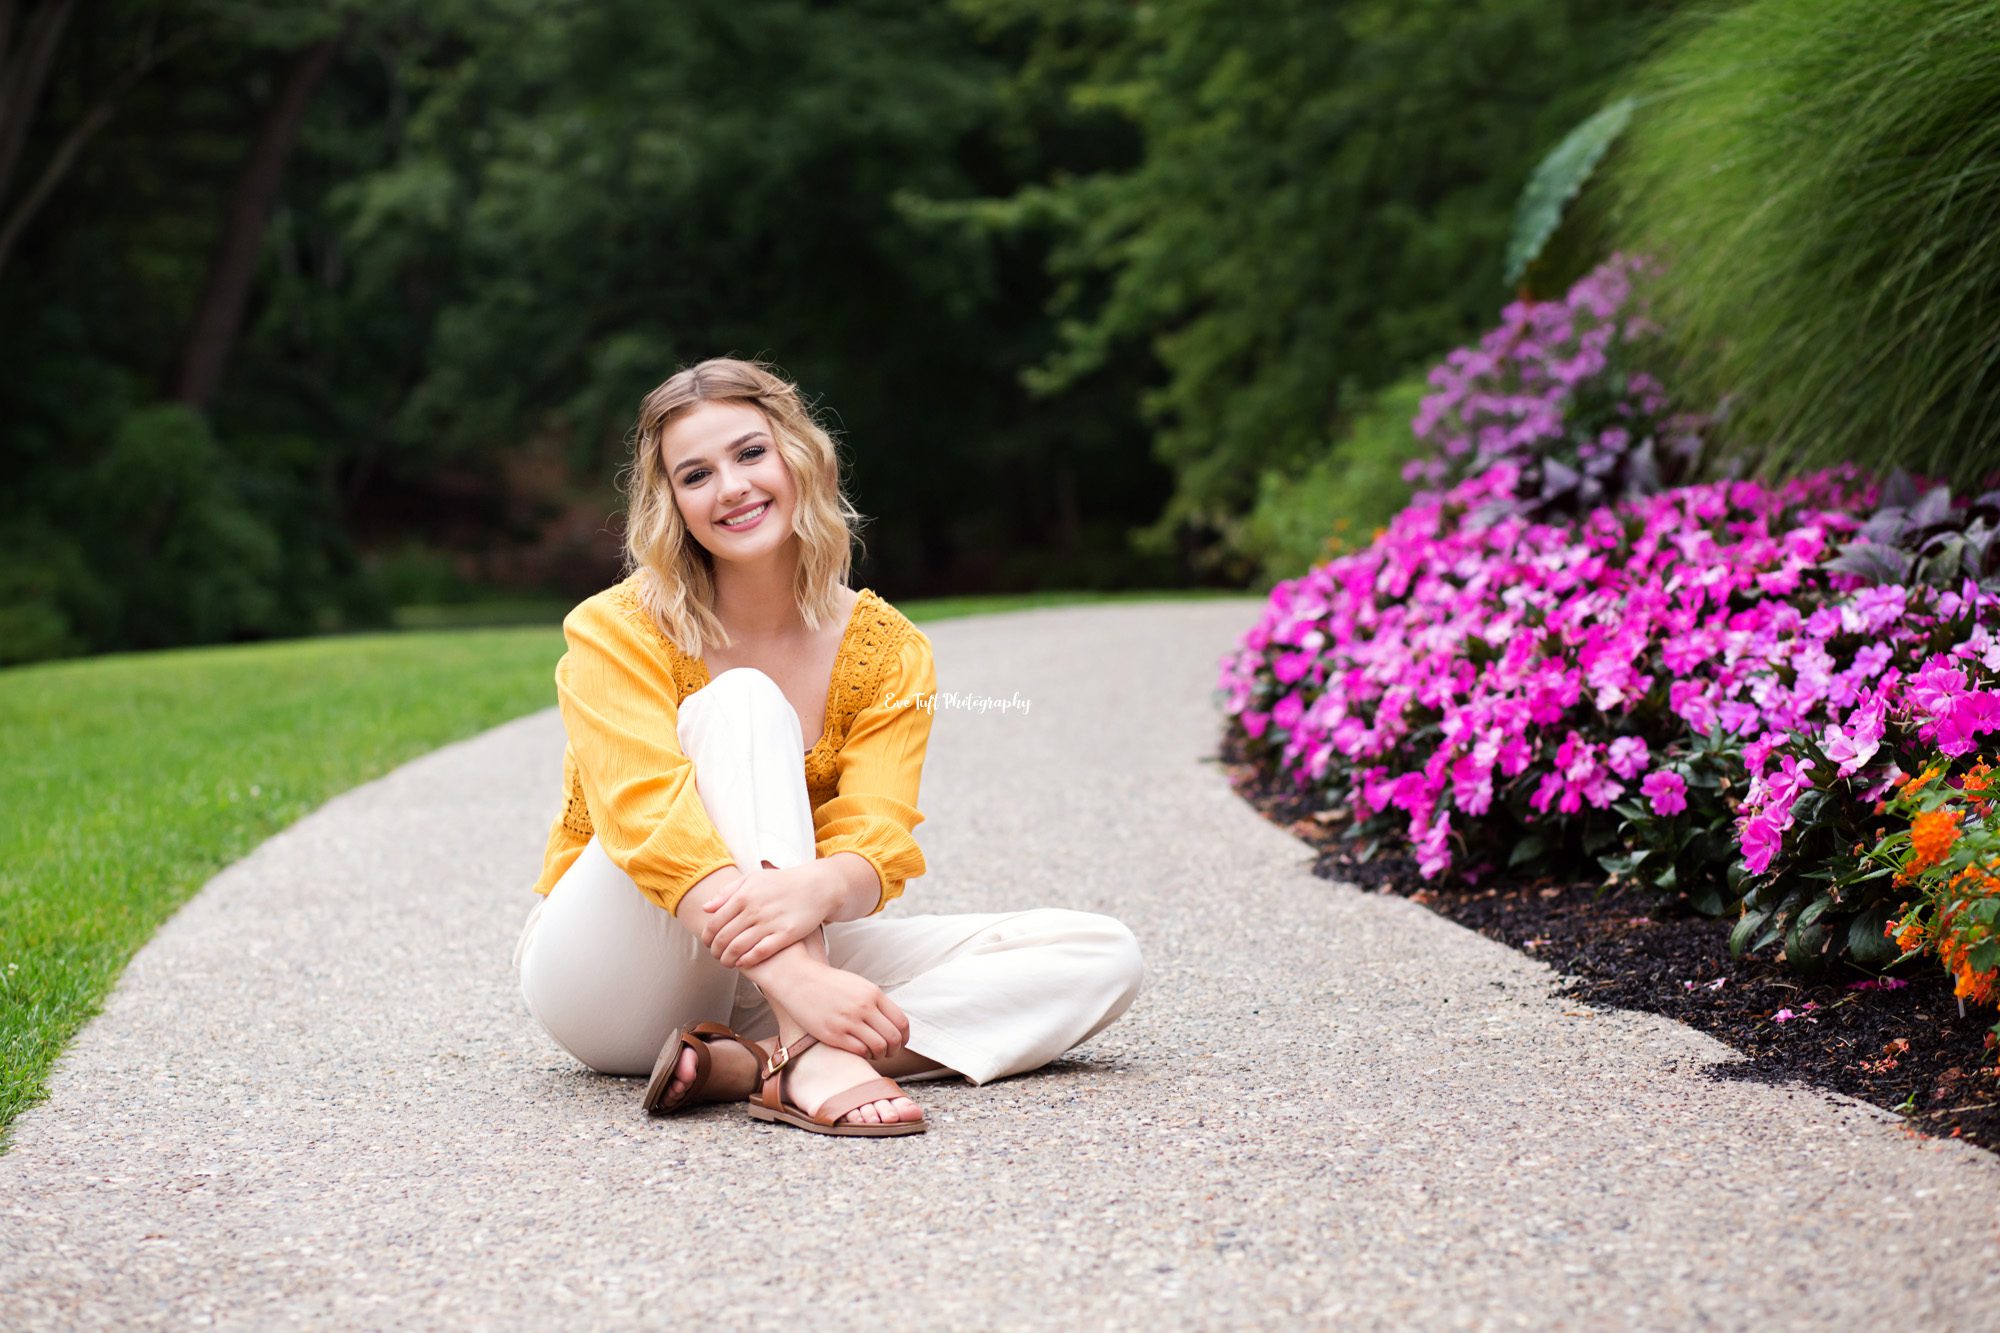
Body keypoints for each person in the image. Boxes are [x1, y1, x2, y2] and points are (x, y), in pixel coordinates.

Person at [513, 357, 1143, 1137]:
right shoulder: (617, 628)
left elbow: (876, 837)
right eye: (696, 474)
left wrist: (825, 888)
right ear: (671, 502)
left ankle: (757, 1060)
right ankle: (812, 1040)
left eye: (751, 453)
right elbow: (644, 817)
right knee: (745, 702)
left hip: (752, 969)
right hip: (615, 972)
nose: (733, 488)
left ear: (798, 456)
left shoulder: (888, 650)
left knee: (1098, 954)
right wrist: (799, 981)